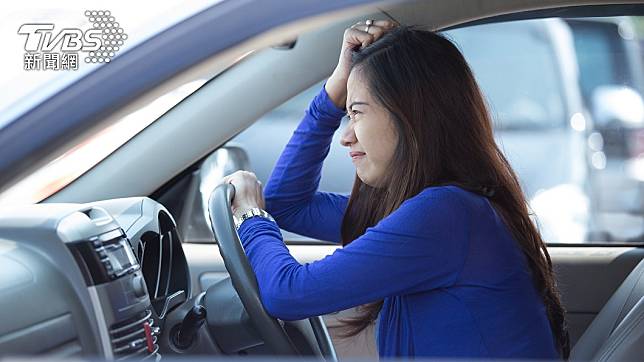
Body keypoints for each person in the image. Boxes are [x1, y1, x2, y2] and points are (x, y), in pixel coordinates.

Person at [221, 20, 569, 359]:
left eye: (356, 113)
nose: (345, 135)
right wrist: (334, 93)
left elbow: (289, 294)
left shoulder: (446, 215)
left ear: (410, 116)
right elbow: (287, 204)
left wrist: (250, 216)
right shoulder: (440, 208)